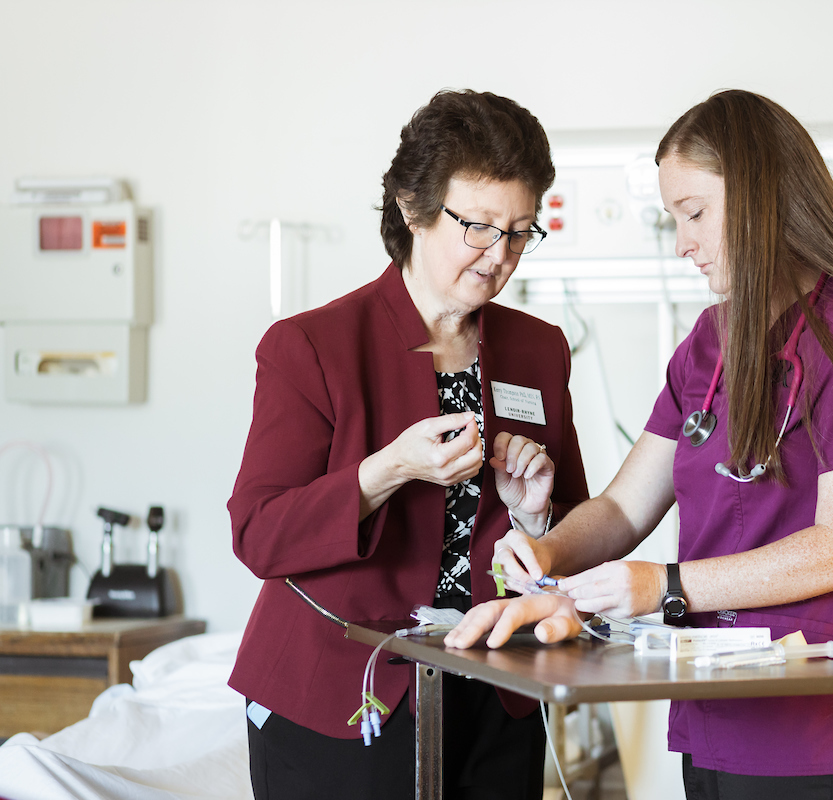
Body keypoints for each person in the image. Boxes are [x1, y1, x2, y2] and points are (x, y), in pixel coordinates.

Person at [445, 89, 833, 800]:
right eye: (674, 219)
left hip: (817, 728)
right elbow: (624, 507)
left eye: (695, 214)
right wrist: (546, 556)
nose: (682, 242)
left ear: (761, 196)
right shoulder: (709, 344)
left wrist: (665, 586)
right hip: (713, 713)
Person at [227, 89, 589, 800]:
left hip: (497, 693)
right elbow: (258, 535)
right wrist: (384, 471)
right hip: (342, 696)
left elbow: (580, 525)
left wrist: (536, 518)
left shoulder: (538, 349)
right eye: (479, 227)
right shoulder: (312, 347)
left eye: (520, 231)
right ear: (411, 207)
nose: (501, 255)